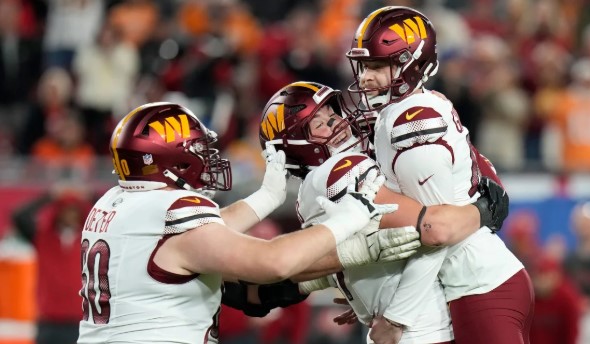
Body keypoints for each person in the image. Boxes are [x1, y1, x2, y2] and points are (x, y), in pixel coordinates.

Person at [77, 102, 410, 343]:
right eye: (196, 149)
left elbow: (206, 236)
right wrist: (351, 220)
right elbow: (273, 263)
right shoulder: (173, 211)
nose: (206, 158)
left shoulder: (115, 203)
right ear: (172, 159)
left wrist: (264, 199)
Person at [256, 81, 509, 344]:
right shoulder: (341, 171)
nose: (337, 123)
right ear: (295, 145)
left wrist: (361, 290)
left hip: (409, 325)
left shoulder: (312, 190)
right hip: (416, 328)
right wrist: (481, 209)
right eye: (319, 124)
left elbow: (353, 256)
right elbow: (432, 230)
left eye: (332, 115)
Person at [345, 6, 533, 344]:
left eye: (377, 65)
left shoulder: (413, 123)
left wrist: (397, 315)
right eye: (363, 65)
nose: (364, 78)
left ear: (412, 64)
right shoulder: (408, 110)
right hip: (464, 284)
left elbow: (435, 233)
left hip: (478, 284)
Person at [12, 185, 92, 344]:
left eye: (74, 210)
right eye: (66, 210)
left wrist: (90, 196)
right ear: (58, 212)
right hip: (49, 321)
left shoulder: (91, 239)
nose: (70, 215)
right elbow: (19, 216)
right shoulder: (42, 236)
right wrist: (50, 196)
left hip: (82, 320)